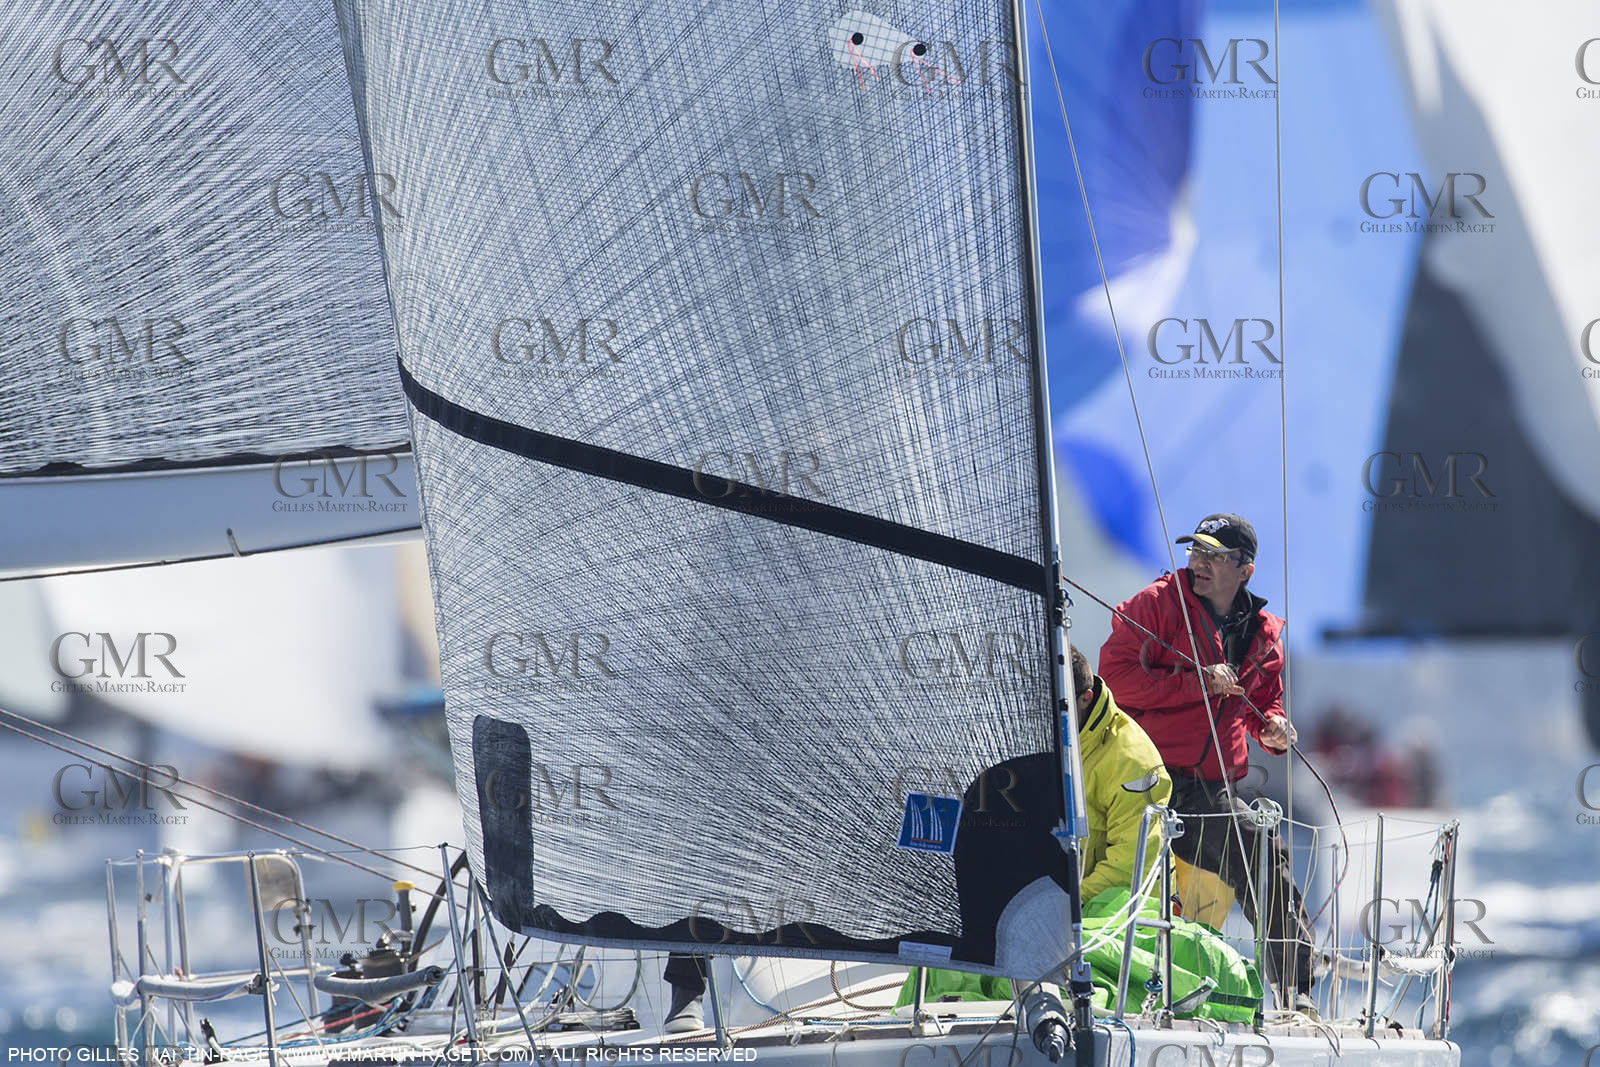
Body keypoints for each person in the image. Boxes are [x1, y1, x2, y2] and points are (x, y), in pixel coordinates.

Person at [1097, 513, 1319, 1017]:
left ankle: (1297, 987)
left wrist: (1276, 731)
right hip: (1142, 775)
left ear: (1245, 570)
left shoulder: (1263, 634)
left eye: (1213, 557)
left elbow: (1267, 702)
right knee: (1123, 875)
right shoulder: (1155, 605)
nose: (1198, 564)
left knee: (1261, 846)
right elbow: (1114, 679)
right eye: (1195, 553)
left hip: (1209, 788)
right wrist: (1199, 681)